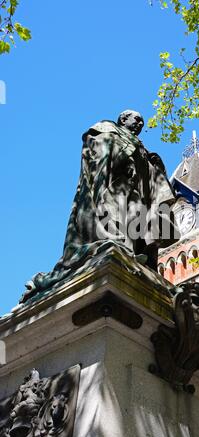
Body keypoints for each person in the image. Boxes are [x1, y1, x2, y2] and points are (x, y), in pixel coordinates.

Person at [19, 110, 180, 304]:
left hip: (135, 194)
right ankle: (122, 252)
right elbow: (98, 154)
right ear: (123, 119)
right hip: (114, 188)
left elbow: (150, 177)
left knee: (139, 226)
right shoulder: (106, 129)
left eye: (142, 123)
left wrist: (154, 165)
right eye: (136, 120)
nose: (139, 124)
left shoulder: (143, 148)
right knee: (117, 222)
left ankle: (134, 256)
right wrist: (127, 153)